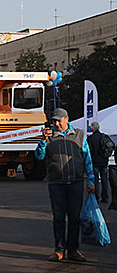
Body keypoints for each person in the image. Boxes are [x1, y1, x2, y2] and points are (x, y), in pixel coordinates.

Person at [35, 108, 95, 262]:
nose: (56, 123)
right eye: (54, 120)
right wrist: (42, 140)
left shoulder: (79, 135)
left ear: (67, 118)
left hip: (75, 182)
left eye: (59, 120)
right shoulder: (48, 137)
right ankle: (59, 250)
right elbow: (39, 156)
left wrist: (91, 180)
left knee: (75, 218)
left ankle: (73, 250)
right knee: (58, 218)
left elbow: (87, 159)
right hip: (56, 183)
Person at [87, 121, 110, 203]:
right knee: (104, 180)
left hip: (95, 162)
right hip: (104, 161)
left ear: (92, 128)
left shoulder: (90, 138)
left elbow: (89, 151)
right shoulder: (104, 136)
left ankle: (97, 197)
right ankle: (105, 197)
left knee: (95, 180)